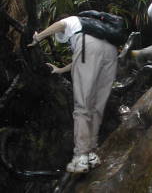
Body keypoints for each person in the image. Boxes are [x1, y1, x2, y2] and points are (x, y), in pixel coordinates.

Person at [28, 15, 118, 173]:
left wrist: (39, 37)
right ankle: (90, 154)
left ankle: (82, 158)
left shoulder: (73, 21)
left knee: (82, 107)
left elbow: (61, 24)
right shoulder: (95, 29)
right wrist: (60, 70)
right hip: (110, 52)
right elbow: (81, 56)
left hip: (90, 49)